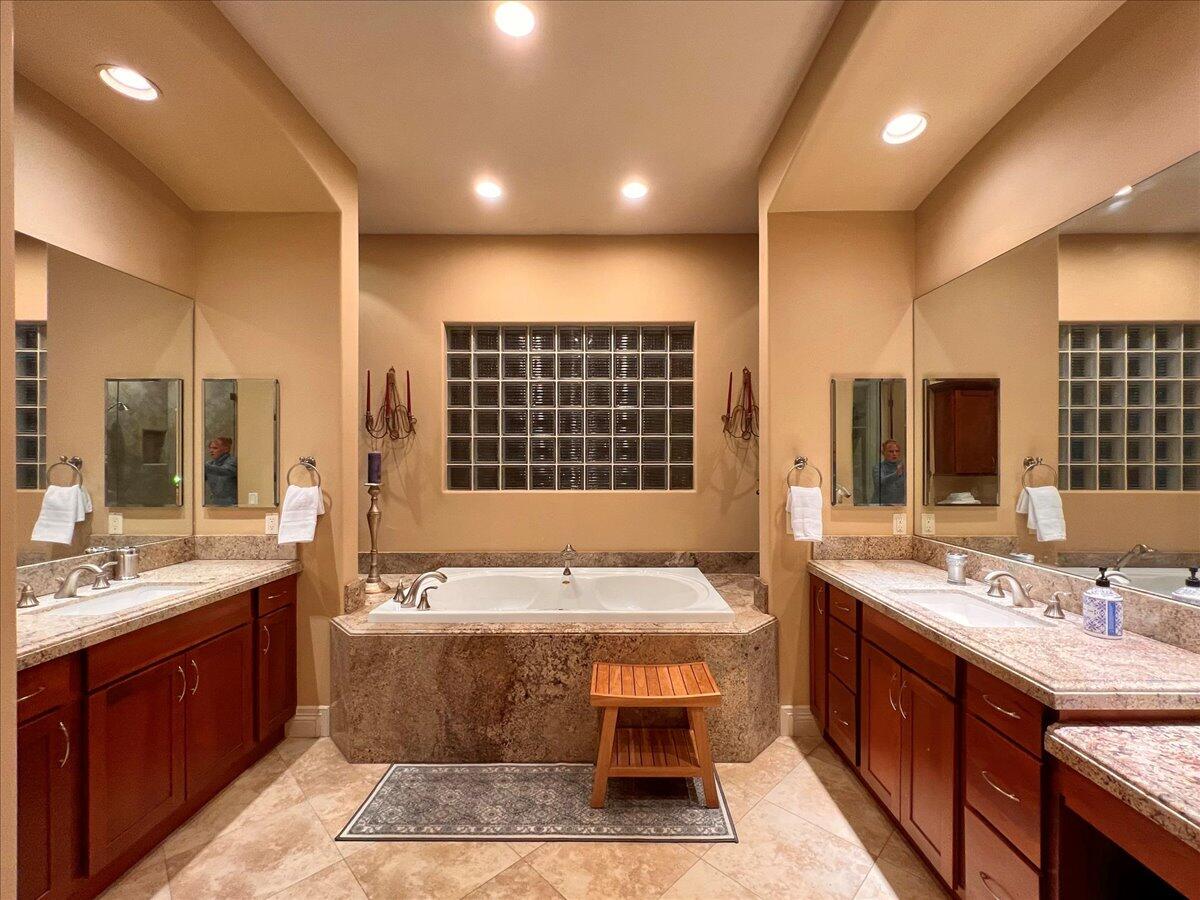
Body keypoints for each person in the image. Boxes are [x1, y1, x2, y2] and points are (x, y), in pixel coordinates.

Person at [205, 436, 238, 506]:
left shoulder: (233, 461)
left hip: (232, 505)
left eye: (215, 448)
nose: (211, 451)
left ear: (226, 449)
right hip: (215, 504)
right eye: (210, 448)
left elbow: (225, 471)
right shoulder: (209, 464)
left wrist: (202, 466)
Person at [874, 438, 906, 505]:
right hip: (882, 506)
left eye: (897, 451)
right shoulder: (878, 467)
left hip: (899, 506)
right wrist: (896, 474)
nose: (894, 454)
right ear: (883, 453)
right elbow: (879, 482)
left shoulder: (903, 467)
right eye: (891, 451)